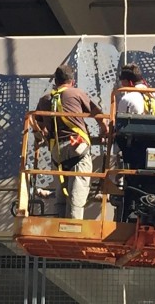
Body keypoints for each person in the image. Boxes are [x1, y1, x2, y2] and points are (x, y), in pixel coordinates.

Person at [35, 64, 109, 219]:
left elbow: (40, 127)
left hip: (57, 152)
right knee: (76, 196)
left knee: (62, 196)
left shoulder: (44, 99)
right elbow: (98, 114)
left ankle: (60, 228)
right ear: (72, 81)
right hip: (77, 147)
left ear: (55, 81)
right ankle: (72, 228)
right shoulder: (77, 93)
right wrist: (104, 129)